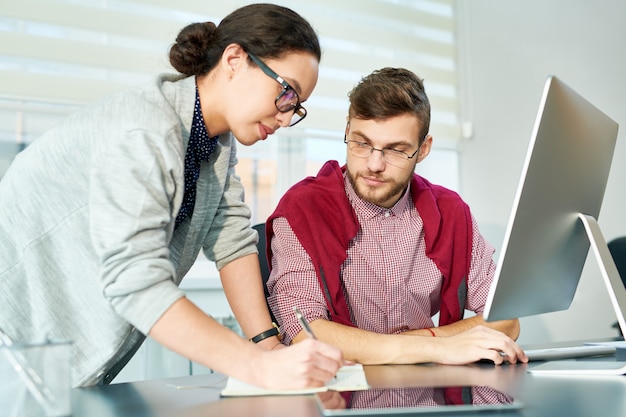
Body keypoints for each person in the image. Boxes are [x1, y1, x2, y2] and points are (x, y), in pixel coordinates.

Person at [0, 4, 343, 388]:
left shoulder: (214, 142)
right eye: (286, 93)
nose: (285, 117)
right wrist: (257, 367)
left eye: (296, 107)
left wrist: (267, 347)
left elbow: (231, 237)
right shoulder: (144, 129)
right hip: (13, 350)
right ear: (235, 59)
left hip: (53, 363)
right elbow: (136, 280)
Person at [266, 67, 528, 365]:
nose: (374, 164)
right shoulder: (303, 210)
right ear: (347, 131)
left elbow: (507, 320)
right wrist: (439, 347)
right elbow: (304, 331)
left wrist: (407, 345)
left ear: (423, 149)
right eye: (362, 143)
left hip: (432, 396)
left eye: (395, 150)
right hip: (344, 397)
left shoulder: (451, 212)